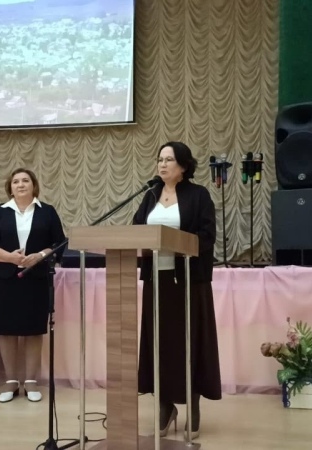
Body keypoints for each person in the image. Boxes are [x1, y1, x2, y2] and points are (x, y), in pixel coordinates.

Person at [132, 141, 222, 439]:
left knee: (188, 342)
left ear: (183, 165)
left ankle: (192, 403)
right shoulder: (150, 195)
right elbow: (136, 229)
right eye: (160, 159)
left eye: (168, 159)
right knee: (159, 344)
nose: (162, 164)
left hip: (188, 281)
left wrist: (177, 243)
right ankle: (165, 405)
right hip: (156, 282)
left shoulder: (199, 195)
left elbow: (207, 235)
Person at [0, 168, 66, 404]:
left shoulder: (47, 211)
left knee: (33, 330)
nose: (20, 184)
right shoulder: (0, 212)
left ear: (33, 185)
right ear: (10, 187)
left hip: (36, 278)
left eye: (25, 180)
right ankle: (10, 381)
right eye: (16, 181)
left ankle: (30, 381)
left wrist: (39, 255)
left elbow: (60, 243)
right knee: (6, 330)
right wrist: (10, 257)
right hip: (5, 279)